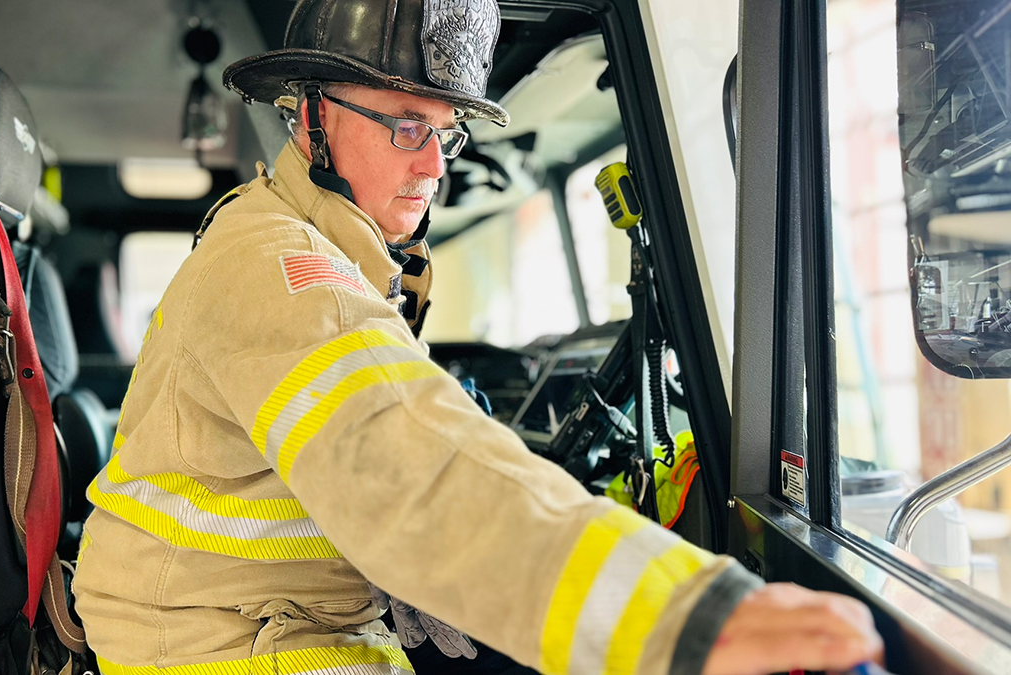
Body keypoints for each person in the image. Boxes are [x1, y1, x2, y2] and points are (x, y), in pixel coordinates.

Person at [72, 0, 885, 673]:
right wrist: (683, 617)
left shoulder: (328, 247)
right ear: (312, 114)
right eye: (403, 126)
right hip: (217, 648)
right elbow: (410, 459)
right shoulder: (278, 264)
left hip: (274, 620)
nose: (433, 165)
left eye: (446, 132)